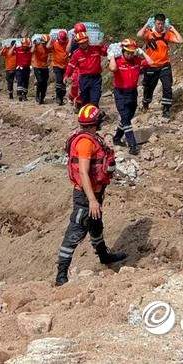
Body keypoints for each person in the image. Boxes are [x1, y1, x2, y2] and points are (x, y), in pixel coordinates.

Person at [55, 104, 127, 286]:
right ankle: (61, 274)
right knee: (76, 230)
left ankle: (103, 256)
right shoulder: (86, 143)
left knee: (96, 225)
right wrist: (93, 200)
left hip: (95, 193)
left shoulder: (90, 138)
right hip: (86, 197)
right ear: (95, 123)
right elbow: (84, 173)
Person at [109, 39, 153, 155]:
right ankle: (133, 145)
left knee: (127, 117)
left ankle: (117, 138)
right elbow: (113, 68)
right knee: (126, 120)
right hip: (120, 93)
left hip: (133, 93)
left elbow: (151, 62)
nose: (130, 55)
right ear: (123, 51)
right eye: (127, 52)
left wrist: (142, 53)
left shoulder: (137, 61)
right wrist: (112, 56)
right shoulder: (118, 61)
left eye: (132, 52)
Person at [137, 13, 183, 117]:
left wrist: (173, 28)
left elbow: (180, 41)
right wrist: (146, 25)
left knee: (167, 87)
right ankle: (146, 103)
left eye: (162, 24)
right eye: (158, 24)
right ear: (155, 23)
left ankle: (166, 109)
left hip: (164, 65)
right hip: (151, 66)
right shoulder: (149, 33)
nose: (160, 26)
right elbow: (139, 35)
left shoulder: (167, 34)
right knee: (149, 88)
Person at [65, 32, 107, 107]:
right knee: (85, 99)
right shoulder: (76, 54)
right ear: (78, 43)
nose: (83, 44)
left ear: (88, 41)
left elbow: (105, 53)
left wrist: (103, 44)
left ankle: (94, 116)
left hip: (96, 78)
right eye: (81, 43)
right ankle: (84, 114)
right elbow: (71, 65)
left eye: (85, 42)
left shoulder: (96, 48)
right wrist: (67, 75)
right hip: (84, 79)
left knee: (95, 99)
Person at [49, 30, 70, 105]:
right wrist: (51, 39)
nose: (62, 42)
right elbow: (48, 47)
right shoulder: (54, 43)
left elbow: (69, 50)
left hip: (65, 65)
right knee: (59, 80)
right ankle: (58, 97)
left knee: (64, 82)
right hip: (56, 65)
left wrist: (70, 40)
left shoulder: (67, 42)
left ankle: (61, 97)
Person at [32, 35, 51, 104]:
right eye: (43, 43)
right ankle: (37, 95)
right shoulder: (37, 45)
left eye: (45, 43)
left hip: (45, 67)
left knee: (45, 83)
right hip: (37, 66)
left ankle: (42, 97)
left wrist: (51, 40)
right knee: (40, 81)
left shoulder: (48, 47)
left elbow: (50, 50)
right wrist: (34, 44)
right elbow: (31, 51)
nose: (44, 44)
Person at [13, 38, 33, 102]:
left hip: (27, 68)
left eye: (26, 46)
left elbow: (33, 50)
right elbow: (10, 52)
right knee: (19, 81)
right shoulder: (18, 49)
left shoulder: (30, 50)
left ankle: (24, 95)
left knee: (26, 82)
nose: (25, 48)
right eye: (24, 46)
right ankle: (20, 95)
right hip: (19, 68)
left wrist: (33, 44)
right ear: (21, 44)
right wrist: (13, 46)